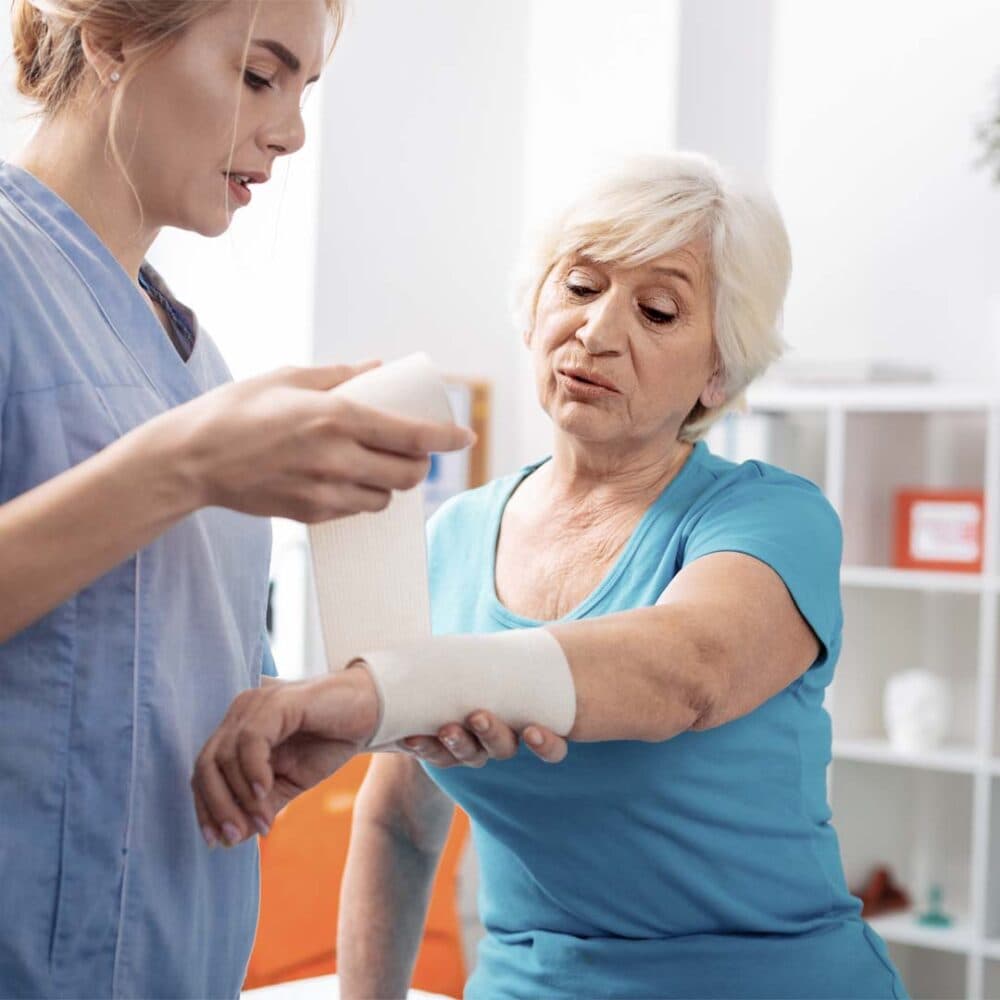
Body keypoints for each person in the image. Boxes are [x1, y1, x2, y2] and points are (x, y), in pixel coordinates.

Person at [192, 153, 909, 999]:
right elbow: (398, 824)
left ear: (718, 369)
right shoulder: (453, 538)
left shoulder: (772, 519)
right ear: (534, 309)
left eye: (657, 310)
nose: (598, 332)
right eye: (578, 286)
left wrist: (386, 694)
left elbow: (686, 671)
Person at [0, 1, 487, 996]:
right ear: (111, 40)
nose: (291, 130)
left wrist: (296, 715)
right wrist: (186, 465)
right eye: (260, 75)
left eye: (303, 90)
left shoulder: (198, 367)